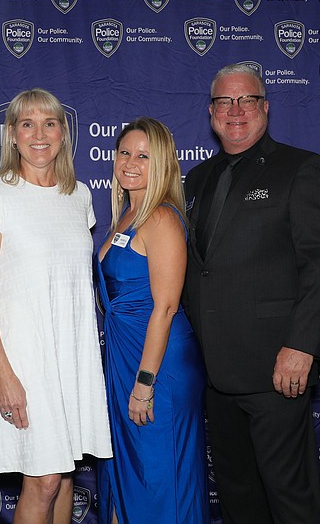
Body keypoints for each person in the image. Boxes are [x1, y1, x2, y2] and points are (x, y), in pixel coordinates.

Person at [183, 63, 320, 523]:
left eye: (246, 100)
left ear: (265, 107)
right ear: (211, 113)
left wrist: (300, 346)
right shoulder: (197, 179)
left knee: (289, 496)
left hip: (277, 368)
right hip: (214, 374)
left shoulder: (301, 168)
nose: (235, 111)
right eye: (224, 102)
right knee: (238, 498)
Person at [0, 88, 112, 523]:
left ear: (64, 134)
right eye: (27, 124)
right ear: (11, 135)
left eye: (50, 123)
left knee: (65, 475)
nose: (39, 134)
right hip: (25, 361)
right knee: (44, 479)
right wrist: (4, 376)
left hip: (71, 360)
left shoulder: (79, 196)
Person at [96, 117, 208, 523]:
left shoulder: (160, 217)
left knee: (162, 480)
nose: (130, 162)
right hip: (126, 358)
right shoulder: (126, 213)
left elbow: (165, 307)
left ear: (161, 162)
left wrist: (145, 384)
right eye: (125, 152)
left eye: (143, 155)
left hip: (157, 367)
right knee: (134, 477)